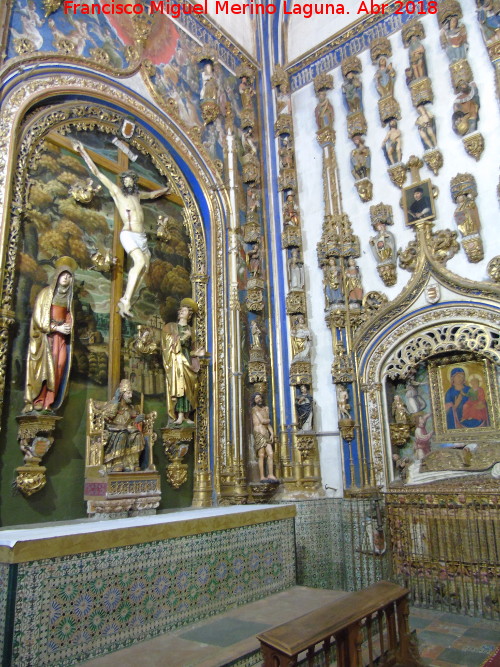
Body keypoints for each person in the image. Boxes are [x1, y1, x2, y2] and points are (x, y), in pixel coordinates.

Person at [73, 141, 169, 318]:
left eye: (131, 179)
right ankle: (125, 300)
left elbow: (153, 194)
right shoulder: (117, 192)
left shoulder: (138, 195)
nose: (129, 182)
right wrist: (83, 151)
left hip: (141, 236)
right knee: (139, 262)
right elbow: (97, 174)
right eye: (126, 180)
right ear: (123, 183)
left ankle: (128, 300)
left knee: (145, 267)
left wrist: (166, 189)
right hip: (128, 234)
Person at [23, 257, 76, 413]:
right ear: (57, 276)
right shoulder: (46, 294)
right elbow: (38, 319)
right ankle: (39, 399)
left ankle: (49, 401)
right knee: (46, 368)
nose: (66, 277)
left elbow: (69, 316)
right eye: (63, 274)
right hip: (46, 339)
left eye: (69, 275)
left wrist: (68, 325)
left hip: (61, 340)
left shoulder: (69, 299)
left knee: (59, 366)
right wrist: (55, 328)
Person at [161, 299, 205, 425]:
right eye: (180, 310)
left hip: (187, 359)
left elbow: (191, 350)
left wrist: (196, 354)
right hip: (176, 361)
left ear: (189, 315)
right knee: (179, 386)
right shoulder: (171, 327)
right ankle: (179, 415)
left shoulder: (192, 330)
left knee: (188, 388)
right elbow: (168, 345)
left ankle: (186, 415)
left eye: (184, 310)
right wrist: (184, 337)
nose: (181, 312)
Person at [101, 379, 148, 472]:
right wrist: (115, 402)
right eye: (128, 393)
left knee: (137, 435)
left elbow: (130, 423)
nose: (131, 396)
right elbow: (107, 416)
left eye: (131, 393)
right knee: (123, 434)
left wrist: (136, 420)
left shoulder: (131, 408)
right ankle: (117, 462)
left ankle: (134, 463)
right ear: (122, 394)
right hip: (113, 432)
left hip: (126, 430)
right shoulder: (112, 404)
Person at [252, 392, 278, 481]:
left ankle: (270, 474)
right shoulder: (254, 409)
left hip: (266, 433)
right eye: (256, 398)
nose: (258, 399)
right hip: (259, 433)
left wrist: (272, 433)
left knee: (270, 453)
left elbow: (268, 424)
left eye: (259, 398)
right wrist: (268, 420)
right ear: (254, 401)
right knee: (262, 455)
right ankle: (262, 476)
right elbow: (263, 421)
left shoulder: (266, 408)